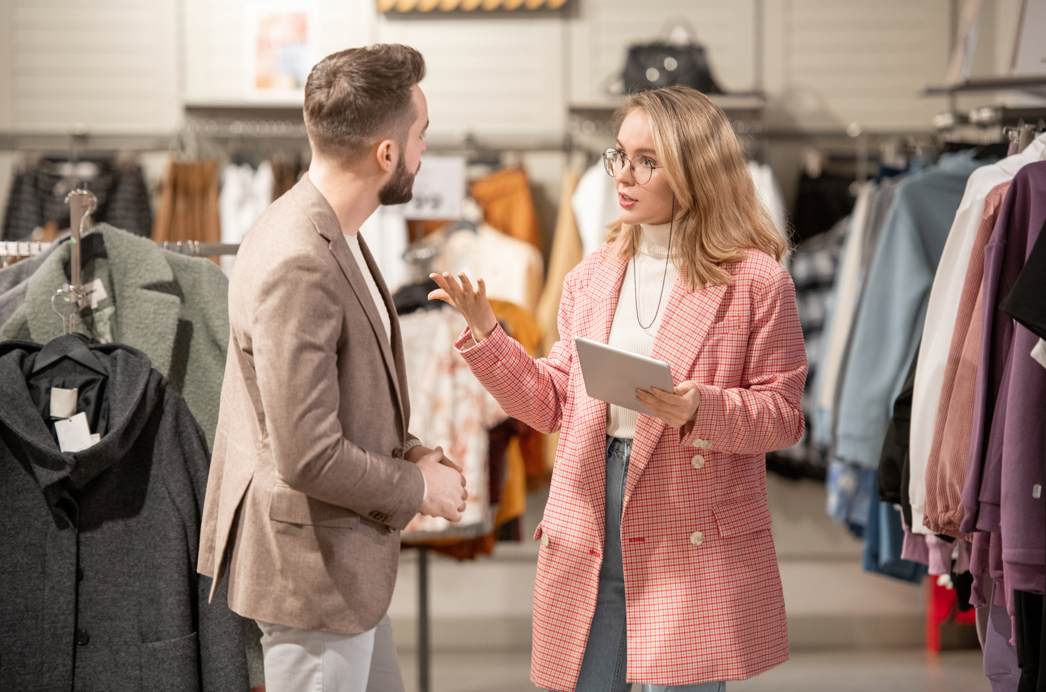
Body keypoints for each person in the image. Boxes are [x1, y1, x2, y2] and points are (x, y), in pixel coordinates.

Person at [430, 86, 807, 692]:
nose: (622, 175)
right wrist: (487, 334)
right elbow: (552, 402)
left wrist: (698, 408)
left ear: (695, 171)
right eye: (619, 155)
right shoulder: (591, 276)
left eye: (646, 161)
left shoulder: (758, 281)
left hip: (689, 513)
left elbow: (784, 416)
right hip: (588, 504)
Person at [197, 44, 468, 692]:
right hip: (311, 570)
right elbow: (307, 453)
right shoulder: (301, 257)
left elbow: (343, 397)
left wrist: (413, 452)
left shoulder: (332, 230)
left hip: (342, 565)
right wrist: (417, 488)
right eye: (419, 135)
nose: (423, 151)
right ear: (385, 153)